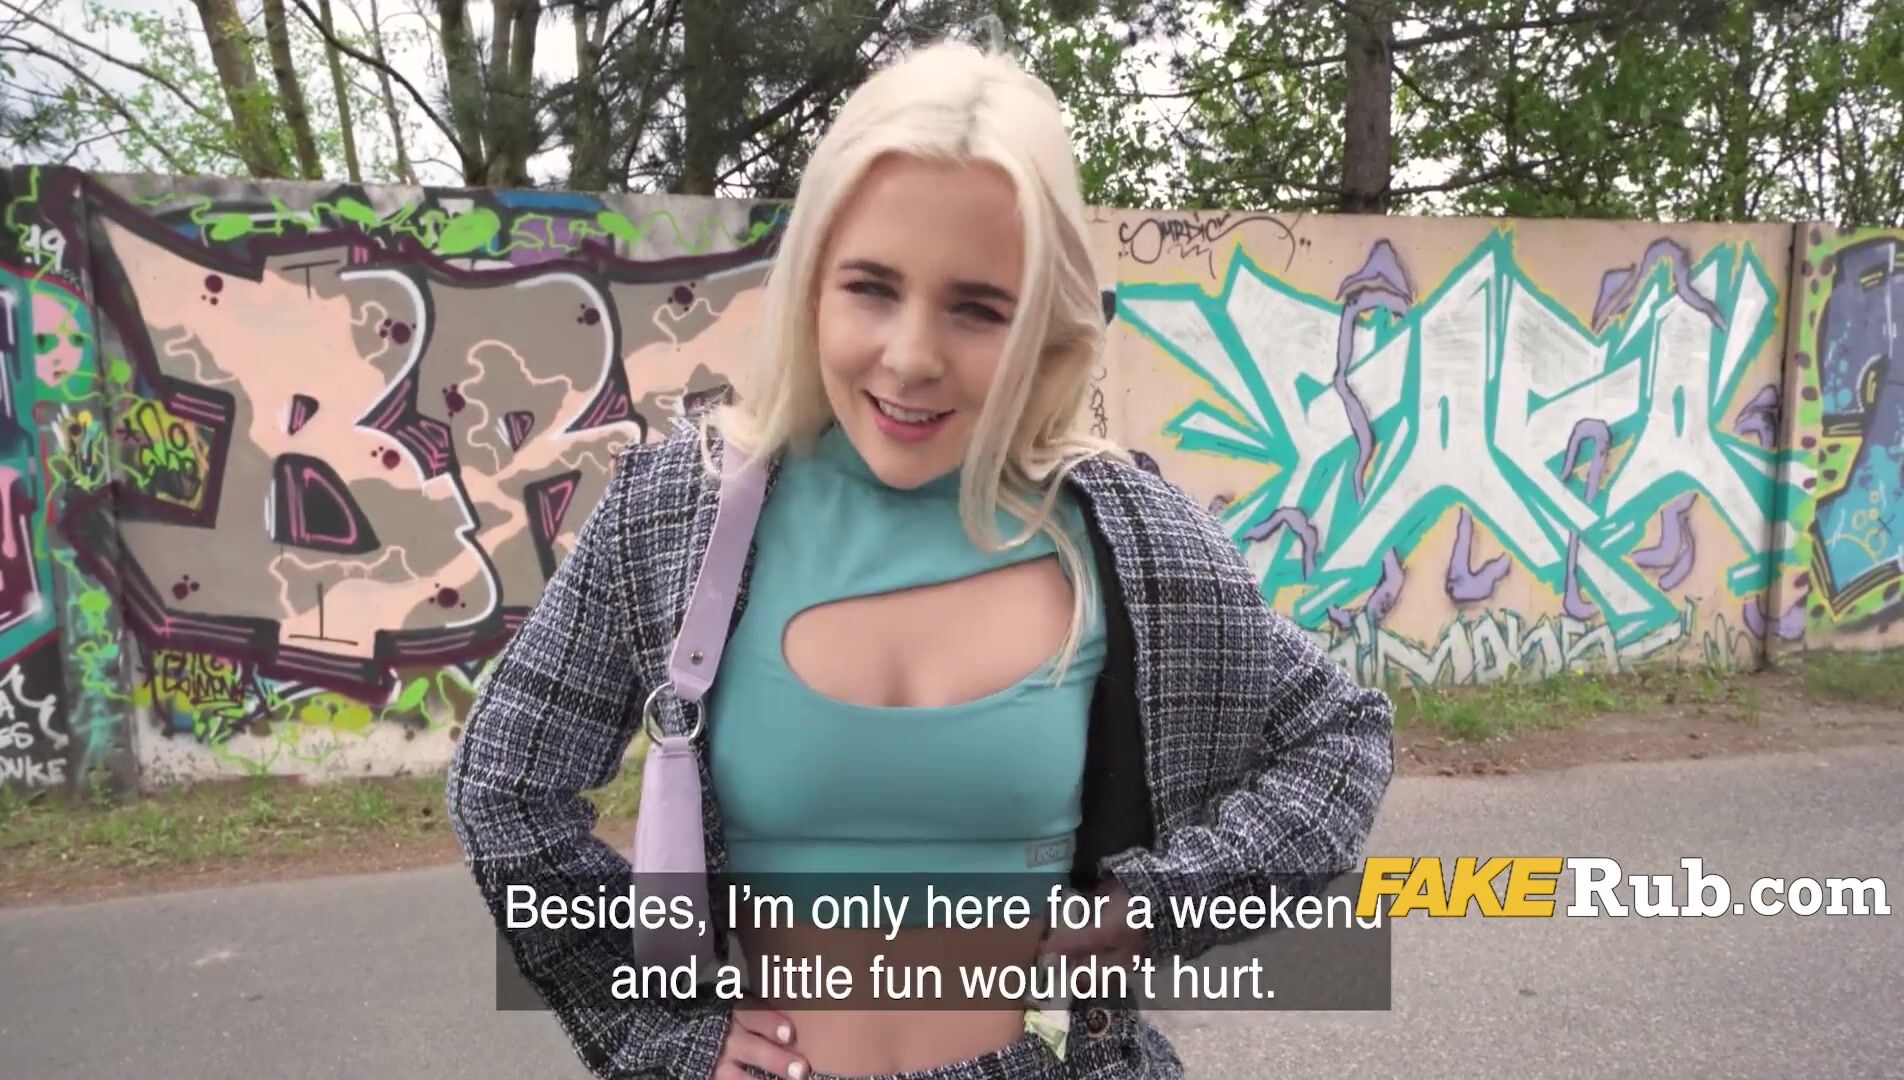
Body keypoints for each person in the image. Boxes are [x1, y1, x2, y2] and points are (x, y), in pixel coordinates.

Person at [447, 35, 1395, 1080]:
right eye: (871, 287)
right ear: (812, 283)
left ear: (1043, 327)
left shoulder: (1128, 538)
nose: (911, 357)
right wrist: (664, 1032)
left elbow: (1339, 739)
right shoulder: (677, 514)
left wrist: (1156, 905)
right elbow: (505, 788)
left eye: (977, 308)